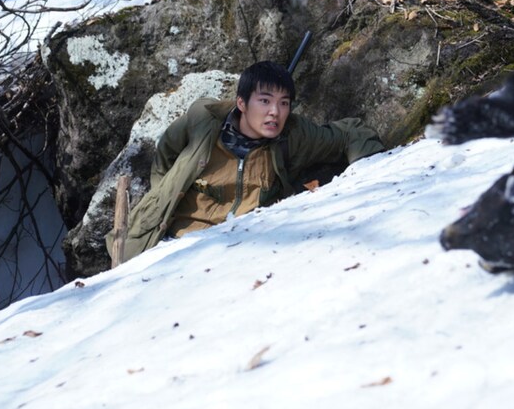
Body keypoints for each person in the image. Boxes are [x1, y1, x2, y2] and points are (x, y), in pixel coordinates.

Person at [110, 60, 383, 264]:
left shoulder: (293, 135)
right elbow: (165, 153)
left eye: (284, 103)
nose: (275, 112)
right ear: (241, 103)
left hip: (239, 253)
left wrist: (366, 175)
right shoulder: (203, 121)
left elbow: (350, 134)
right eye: (264, 101)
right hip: (172, 245)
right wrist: (165, 195)